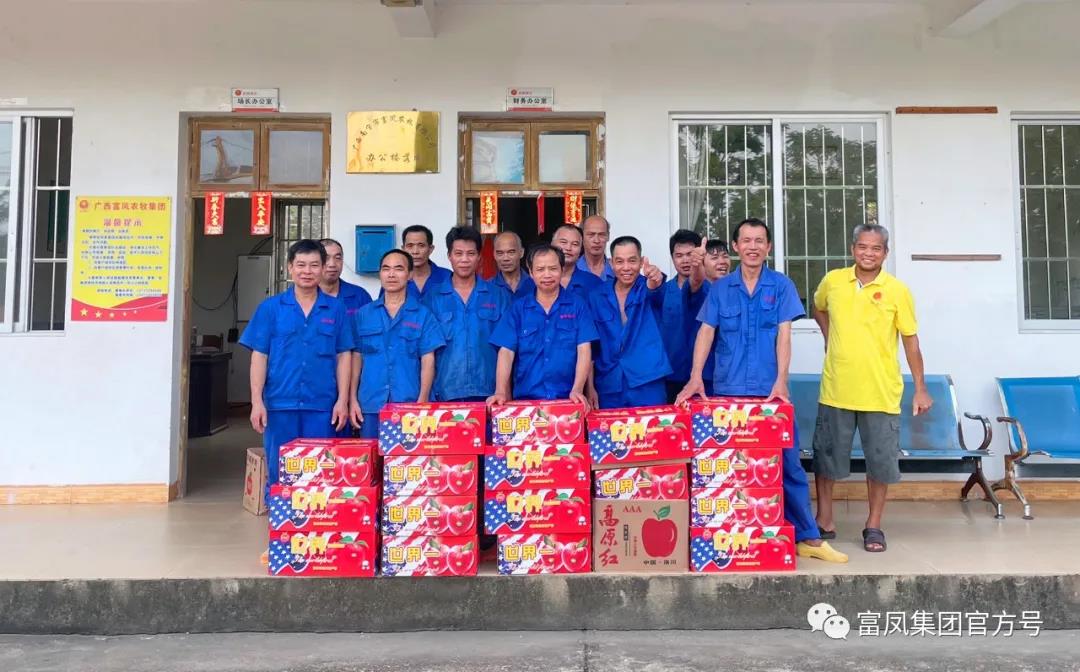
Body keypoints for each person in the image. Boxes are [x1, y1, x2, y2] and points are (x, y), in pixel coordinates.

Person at [677, 218, 848, 564]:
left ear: (768, 247)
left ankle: (808, 538)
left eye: (759, 241)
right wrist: (696, 377)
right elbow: (706, 333)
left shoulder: (781, 285)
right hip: (728, 391)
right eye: (746, 241)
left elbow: (784, 335)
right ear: (736, 247)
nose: (752, 246)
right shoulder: (721, 289)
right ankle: (735, 534)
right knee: (730, 467)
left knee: (788, 465)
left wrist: (782, 379)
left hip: (771, 393)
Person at [811, 224, 931, 554]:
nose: (868, 253)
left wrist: (920, 388)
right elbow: (818, 307)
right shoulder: (833, 281)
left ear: (885, 253)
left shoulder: (897, 290)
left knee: (879, 464)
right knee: (827, 460)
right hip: (836, 389)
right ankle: (825, 520)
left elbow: (911, 341)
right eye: (862, 247)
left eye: (875, 248)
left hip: (881, 393)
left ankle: (873, 525)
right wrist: (828, 337)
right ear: (853, 249)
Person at [239, 239, 353, 498]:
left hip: (322, 405)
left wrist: (343, 400)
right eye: (301, 265)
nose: (307, 271)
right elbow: (259, 356)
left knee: (320, 472)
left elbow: (344, 355)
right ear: (290, 267)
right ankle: (282, 530)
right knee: (281, 472)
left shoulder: (336, 309)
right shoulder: (270, 308)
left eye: (314, 265)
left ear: (323, 268)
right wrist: (256, 401)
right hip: (280, 404)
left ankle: (315, 529)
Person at [487, 244, 598, 409]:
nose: (547, 275)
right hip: (526, 402)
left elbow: (584, 350)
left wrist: (577, 389)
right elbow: (506, 353)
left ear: (562, 269)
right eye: (540, 269)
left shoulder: (578, 306)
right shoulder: (518, 309)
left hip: (568, 400)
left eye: (553, 268)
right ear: (531, 273)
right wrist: (501, 391)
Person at [349, 249, 445, 439]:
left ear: (409, 275)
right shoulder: (363, 315)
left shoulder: (423, 314)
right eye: (386, 269)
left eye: (399, 269)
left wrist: (423, 400)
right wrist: (352, 399)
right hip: (370, 404)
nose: (391, 274)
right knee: (372, 463)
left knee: (408, 466)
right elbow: (356, 359)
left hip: (409, 403)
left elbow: (428, 361)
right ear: (380, 274)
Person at [424, 226, 511, 402]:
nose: (464, 260)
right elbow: (426, 351)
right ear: (449, 256)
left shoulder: (499, 295)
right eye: (458, 253)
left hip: (490, 393)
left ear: (479, 257)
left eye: (471, 254)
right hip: (445, 392)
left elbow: (508, 347)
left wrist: (505, 392)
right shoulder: (432, 298)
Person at [586, 236, 671, 409]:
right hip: (609, 382)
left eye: (632, 261)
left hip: (647, 381)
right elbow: (590, 346)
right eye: (620, 261)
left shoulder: (647, 287)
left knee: (652, 433)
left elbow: (655, 290)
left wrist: (655, 280)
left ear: (640, 262)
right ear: (611, 263)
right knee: (611, 434)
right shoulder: (596, 296)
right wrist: (590, 387)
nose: (626, 268)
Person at [659, 229, 709, 403]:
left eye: (690, 254)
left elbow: (696, 281)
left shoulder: (710, 289)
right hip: (670, 375)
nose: (686, 260)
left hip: (705, 375)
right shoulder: (662, 291)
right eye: (679, 255)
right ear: (672, 257)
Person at [318, 238, 373, 317]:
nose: (332, 264)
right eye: (326, 258)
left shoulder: (359, 296)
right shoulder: (304, 297)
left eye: (337, 258)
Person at [552, 224, 603, 301]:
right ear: (552, 245)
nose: (568, 248)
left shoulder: (594, 283)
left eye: (575, 244)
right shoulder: (535, 281)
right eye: (563, 242)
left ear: (581, 250)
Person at [401, 224, 452, 300]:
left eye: (421, 245)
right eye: (410, 246)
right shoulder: (395, 279)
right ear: (403, 249)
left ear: (431, 249)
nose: (415, 251)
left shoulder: (448, 277)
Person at [490, 230, 535, 300]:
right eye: (500, 253)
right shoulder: (487, 288)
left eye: (511, 252)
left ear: (521, 252)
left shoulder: (535, 284)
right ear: (494, 255)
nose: (505, 258)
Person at [577, 215, 615, 281]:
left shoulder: (617, 270)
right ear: (581, 236)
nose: (596, 241)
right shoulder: (571, 270)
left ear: (608, 236)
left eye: (601, 235)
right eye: (591, 235)